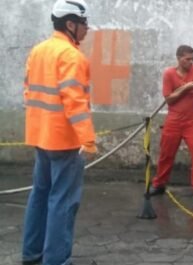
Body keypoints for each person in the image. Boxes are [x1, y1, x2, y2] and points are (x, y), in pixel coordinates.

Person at [22, 1, 96, 264]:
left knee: (40, 195)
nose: (87, 29)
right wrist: (87, 139)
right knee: (63, 202)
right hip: (64, 141)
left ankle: (31, 254)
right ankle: (56, 260)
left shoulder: (38, 51)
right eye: (84, 23)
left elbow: (28, 91)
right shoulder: (72, 56)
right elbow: (74, 102)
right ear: (70, 24)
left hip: (41, 137)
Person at [149, 45, 193, 203]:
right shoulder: (169, 74)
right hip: (174, 122)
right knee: (166, 154)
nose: (191, 62)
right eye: (187, 59)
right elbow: (169, 99)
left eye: (192, 59)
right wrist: (186, 88)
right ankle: (159, 184)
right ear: (178, 58)